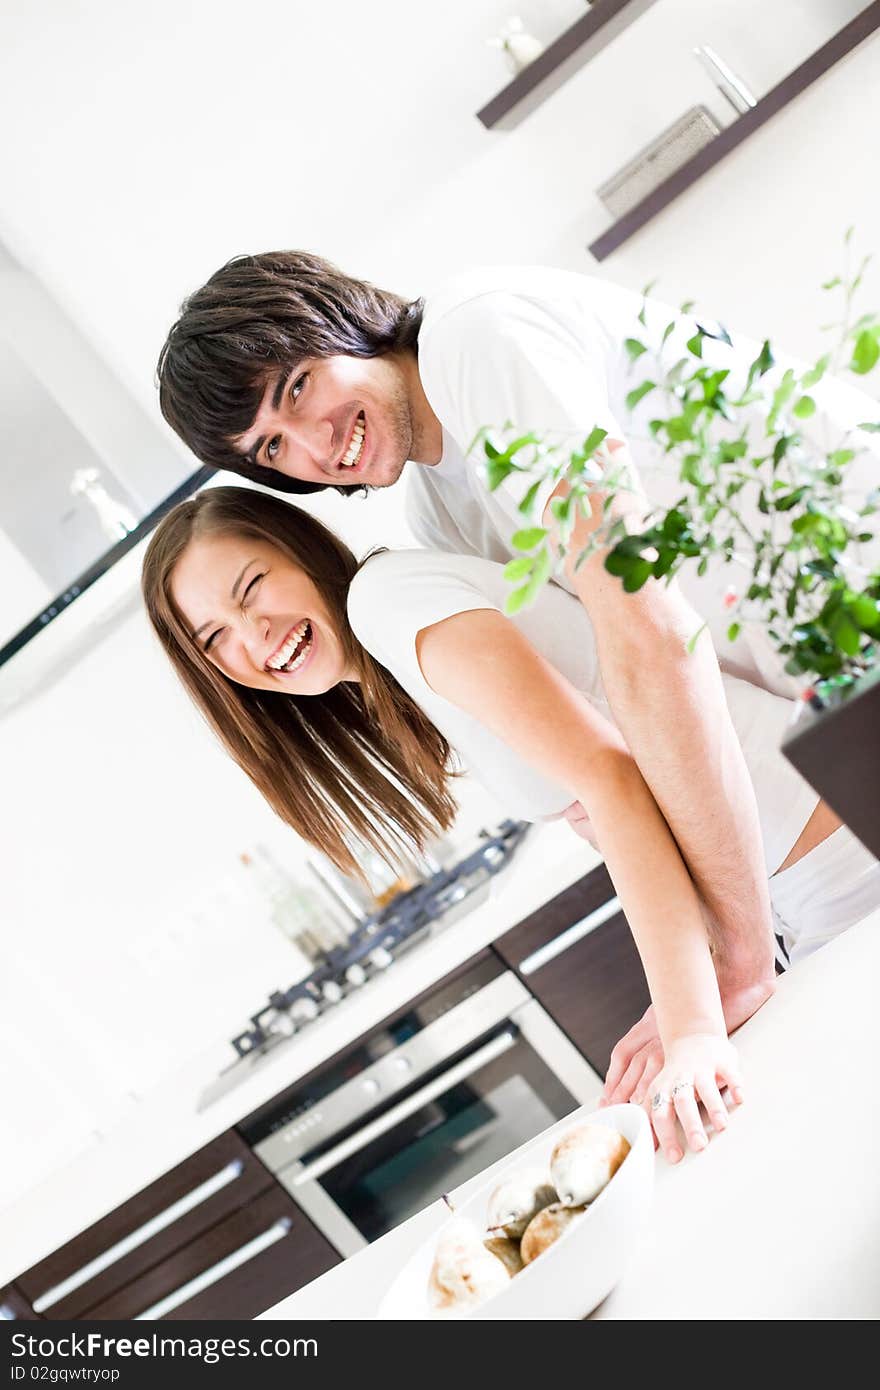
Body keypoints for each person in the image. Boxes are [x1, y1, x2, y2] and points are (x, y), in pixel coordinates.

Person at [155, 252, 878, 1080]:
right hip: (833, 755)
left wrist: (736, 967)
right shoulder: (444, 513)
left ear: (337, 320)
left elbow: (648, 633)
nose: (312, 445)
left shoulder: (477, 341)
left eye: (296, 388)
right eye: (271, 448)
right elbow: (625, 729)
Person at [141, 486, 880, 1162]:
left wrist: (693, 1026)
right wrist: (702, 981)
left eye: (253, 588)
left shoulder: (387, 602)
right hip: (797, 873)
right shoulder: (394, 660)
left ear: (300, 552)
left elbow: (614, 780)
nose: (253, 632)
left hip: (829, 856)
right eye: (215, 638)